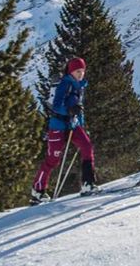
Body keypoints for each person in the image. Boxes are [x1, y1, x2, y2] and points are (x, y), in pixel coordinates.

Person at [31, 57, 97, 203]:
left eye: (82, 71)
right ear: (71, 71)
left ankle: (88, 183)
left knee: (87, 147)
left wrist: (81, 124)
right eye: (77, 71)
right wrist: (69, 110)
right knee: (53, 160)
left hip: (73, 125)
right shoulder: (65, 84)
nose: (81, 74)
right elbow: (56, 105)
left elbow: (80, 109)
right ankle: (38, 190)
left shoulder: (80, 86)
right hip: (58, 126)